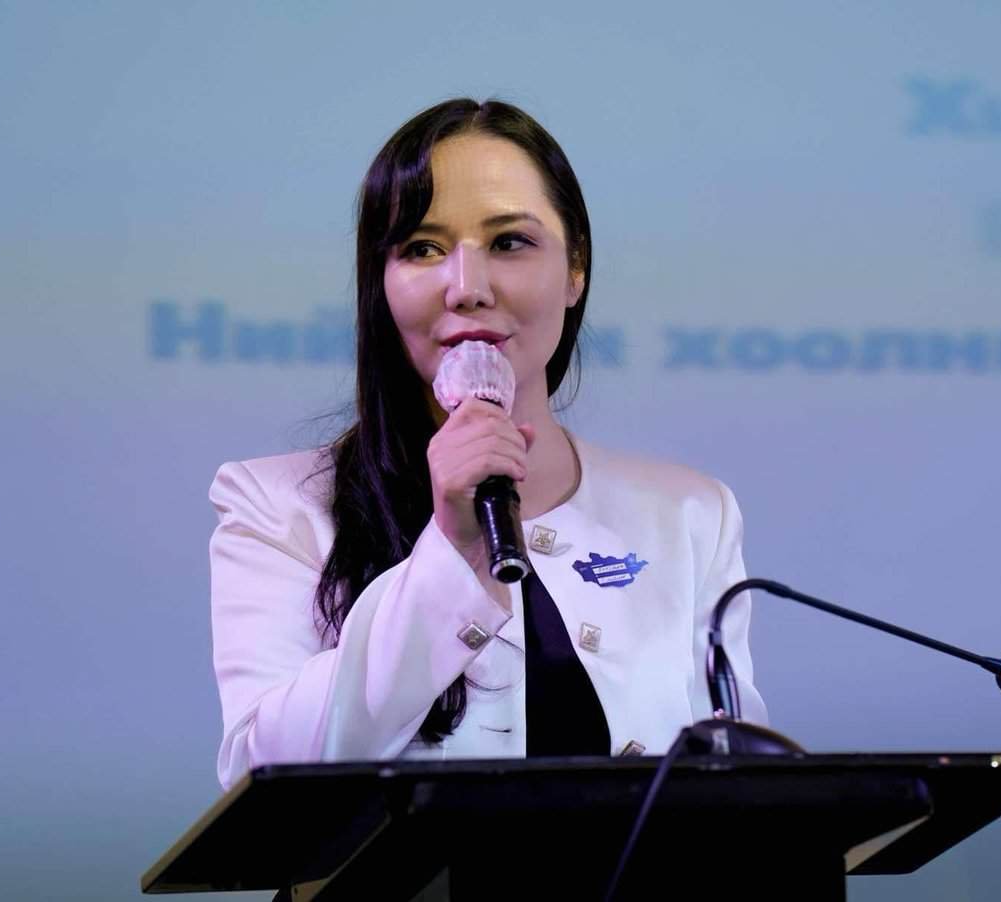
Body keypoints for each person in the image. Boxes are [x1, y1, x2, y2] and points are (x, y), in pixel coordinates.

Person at [208, 98, 767, 791]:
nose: (466, 289)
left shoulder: (690, 515)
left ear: (576, 270)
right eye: (422, 249)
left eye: (509, 243)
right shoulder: (277, 509)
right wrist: (449, 548)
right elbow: (265, 776)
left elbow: (740, 785)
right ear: (379, 284)